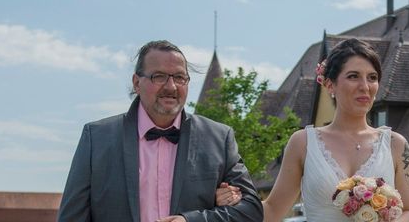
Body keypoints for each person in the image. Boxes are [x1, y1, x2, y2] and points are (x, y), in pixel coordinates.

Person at [58, 40, 263, 222]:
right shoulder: (97, 138)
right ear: (137, 83)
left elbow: (251, 211)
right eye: (159, 76)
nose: (171, 86)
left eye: (180, 77)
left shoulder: (219, 138)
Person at [216, 38, 409, 221]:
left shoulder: (395, 144)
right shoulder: (302, 143)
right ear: (330, 85)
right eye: (353, 76)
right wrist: (234, 205)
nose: (365, 86)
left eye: (372, 77)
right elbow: (272, 209)